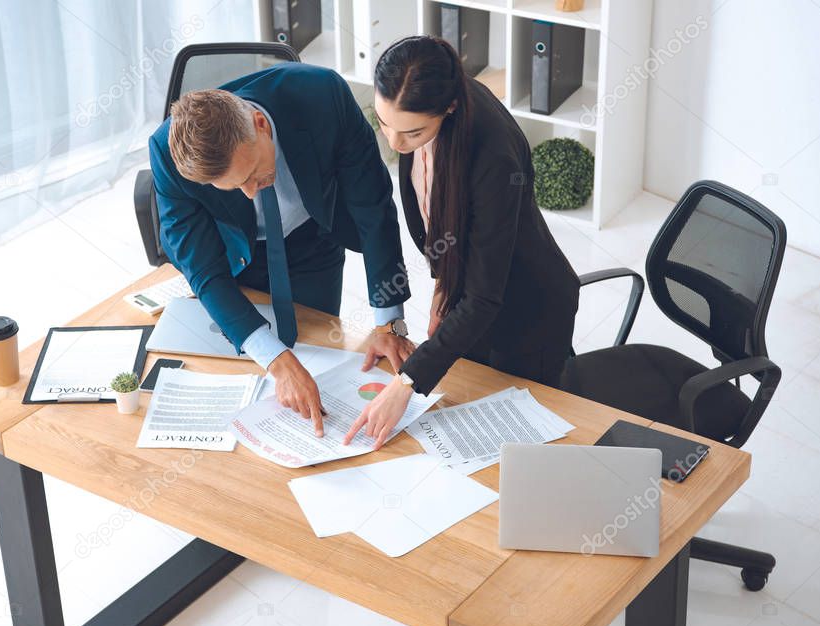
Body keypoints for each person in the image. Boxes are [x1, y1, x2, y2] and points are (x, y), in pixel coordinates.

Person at [149, 63, 415, 437]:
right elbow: (204, 270)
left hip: (314, 237)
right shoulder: (166, 154)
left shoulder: (322, 95)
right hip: (239, 258)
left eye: (250, 173)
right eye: (234, 186)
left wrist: (388, 321)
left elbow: (372, 207)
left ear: (259, 123)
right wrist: (276, 361)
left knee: (322, 352)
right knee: (257, 381)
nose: (251, 192)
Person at [345, 35, 580, 448]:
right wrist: (442, 290)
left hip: (527, 311)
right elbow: (442, 225)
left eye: (412, 132)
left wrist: (404, 386)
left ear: (449, 108)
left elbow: (485, 296)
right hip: (472, 298)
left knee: (511, 442)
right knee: (462, 416)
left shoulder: (493, 158)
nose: (394, 144)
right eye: (384, 123)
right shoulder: (416, 113)